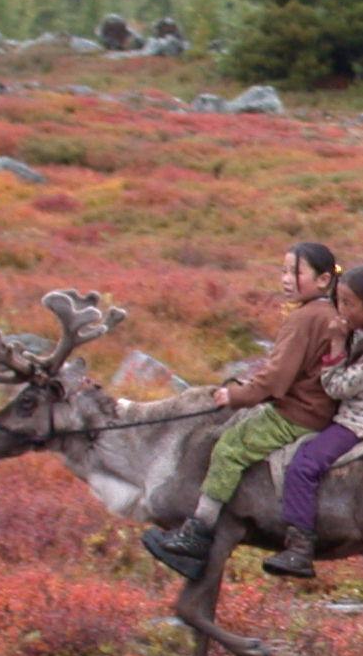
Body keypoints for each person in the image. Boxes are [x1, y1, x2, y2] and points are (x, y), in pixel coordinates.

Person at [143, 243, 345, 579]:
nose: (285, 279)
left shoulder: (304, 318)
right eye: (283, 271)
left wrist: (235, 396)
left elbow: (277, 378)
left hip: (299, 414)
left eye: (295, 272)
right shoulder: (326, 314)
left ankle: (198, 533)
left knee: (229, 447)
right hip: (317, 408)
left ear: (324, 279)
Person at [264, 266, 363, 580]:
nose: (340, 310)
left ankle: (300, 547)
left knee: (304, 465)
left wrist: (334, 347)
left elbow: (337, 387)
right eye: (339, 301)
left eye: (348, 304)